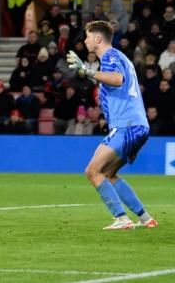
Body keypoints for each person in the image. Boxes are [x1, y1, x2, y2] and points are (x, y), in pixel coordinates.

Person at [66, 21, 157, 230]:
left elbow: (116, 79)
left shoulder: (109, 56)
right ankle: (145, 218)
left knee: (92, 171)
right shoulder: (120, 57)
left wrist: (87, 71)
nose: (85, 41)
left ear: (98, 38)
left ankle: (122, 219)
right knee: (109, 174)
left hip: (127, 126)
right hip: (136, 126)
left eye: (88, 36)